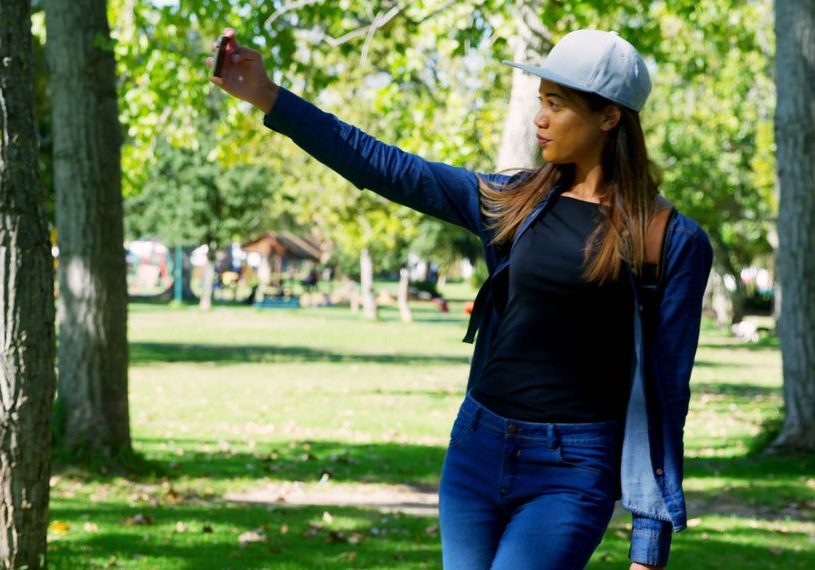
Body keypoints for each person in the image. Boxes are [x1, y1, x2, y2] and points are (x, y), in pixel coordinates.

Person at [208, 27, 713, 570]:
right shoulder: (513, 201)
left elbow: (667, 395)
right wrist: (268, 96)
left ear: (609, 117)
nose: (539, 118)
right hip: (478, 446)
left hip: (573, 470)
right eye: (540, 101)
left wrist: (649, 547)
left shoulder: (671, 240)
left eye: (557, 104)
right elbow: (386, 167)